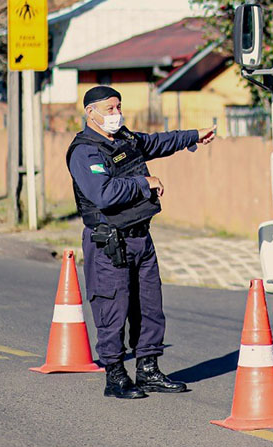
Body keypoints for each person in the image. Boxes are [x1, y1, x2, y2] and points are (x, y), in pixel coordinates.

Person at [66, 85, 216, 399]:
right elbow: (102, 194)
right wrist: (144, 182)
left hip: (140, 236)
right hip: (109, 242)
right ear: (90, 112)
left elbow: (158, 141)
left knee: (149, 307)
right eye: (109, 109)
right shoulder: (85, 151)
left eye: (118, 107)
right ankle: (116, 375)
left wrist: (194, 135)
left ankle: (148, 370)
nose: (116, 113)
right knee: (112, 307)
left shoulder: (126, 139)